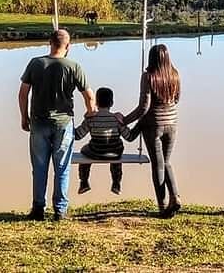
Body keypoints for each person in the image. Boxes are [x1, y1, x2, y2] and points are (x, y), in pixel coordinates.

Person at [18, 29, 96, 221]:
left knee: (39, 168)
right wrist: (90, 112)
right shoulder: (74, 66)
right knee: (62, 168)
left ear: (50, 43)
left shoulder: (36, 63)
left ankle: (38, 209)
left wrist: (24, 117)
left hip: (38, 122)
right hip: (64, 123)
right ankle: (60, 210)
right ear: (68, 46)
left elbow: (23, 93)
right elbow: (89, 95)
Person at [122, 43, 181, 218]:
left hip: (153, 125)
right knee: (167, 162)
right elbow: (177, 99)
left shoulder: (148, 76)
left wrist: (124, 120)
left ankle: (162, 206)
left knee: (158, 165)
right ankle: (175, 196)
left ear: (151, 58)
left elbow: (144, 107)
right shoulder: (175, 75)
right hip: (172, 124)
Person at [74, 86, 136, 195]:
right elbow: (129, 137)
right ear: (111, 103)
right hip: (115, 154)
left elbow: (78, 135)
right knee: (116, 152)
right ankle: (116, 183)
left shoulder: (91, 118)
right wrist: (138, 126)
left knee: (84, 152)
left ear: (96, 102)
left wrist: (83, 118)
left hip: (96, 152)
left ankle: (84, 182)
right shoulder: (117, 119)